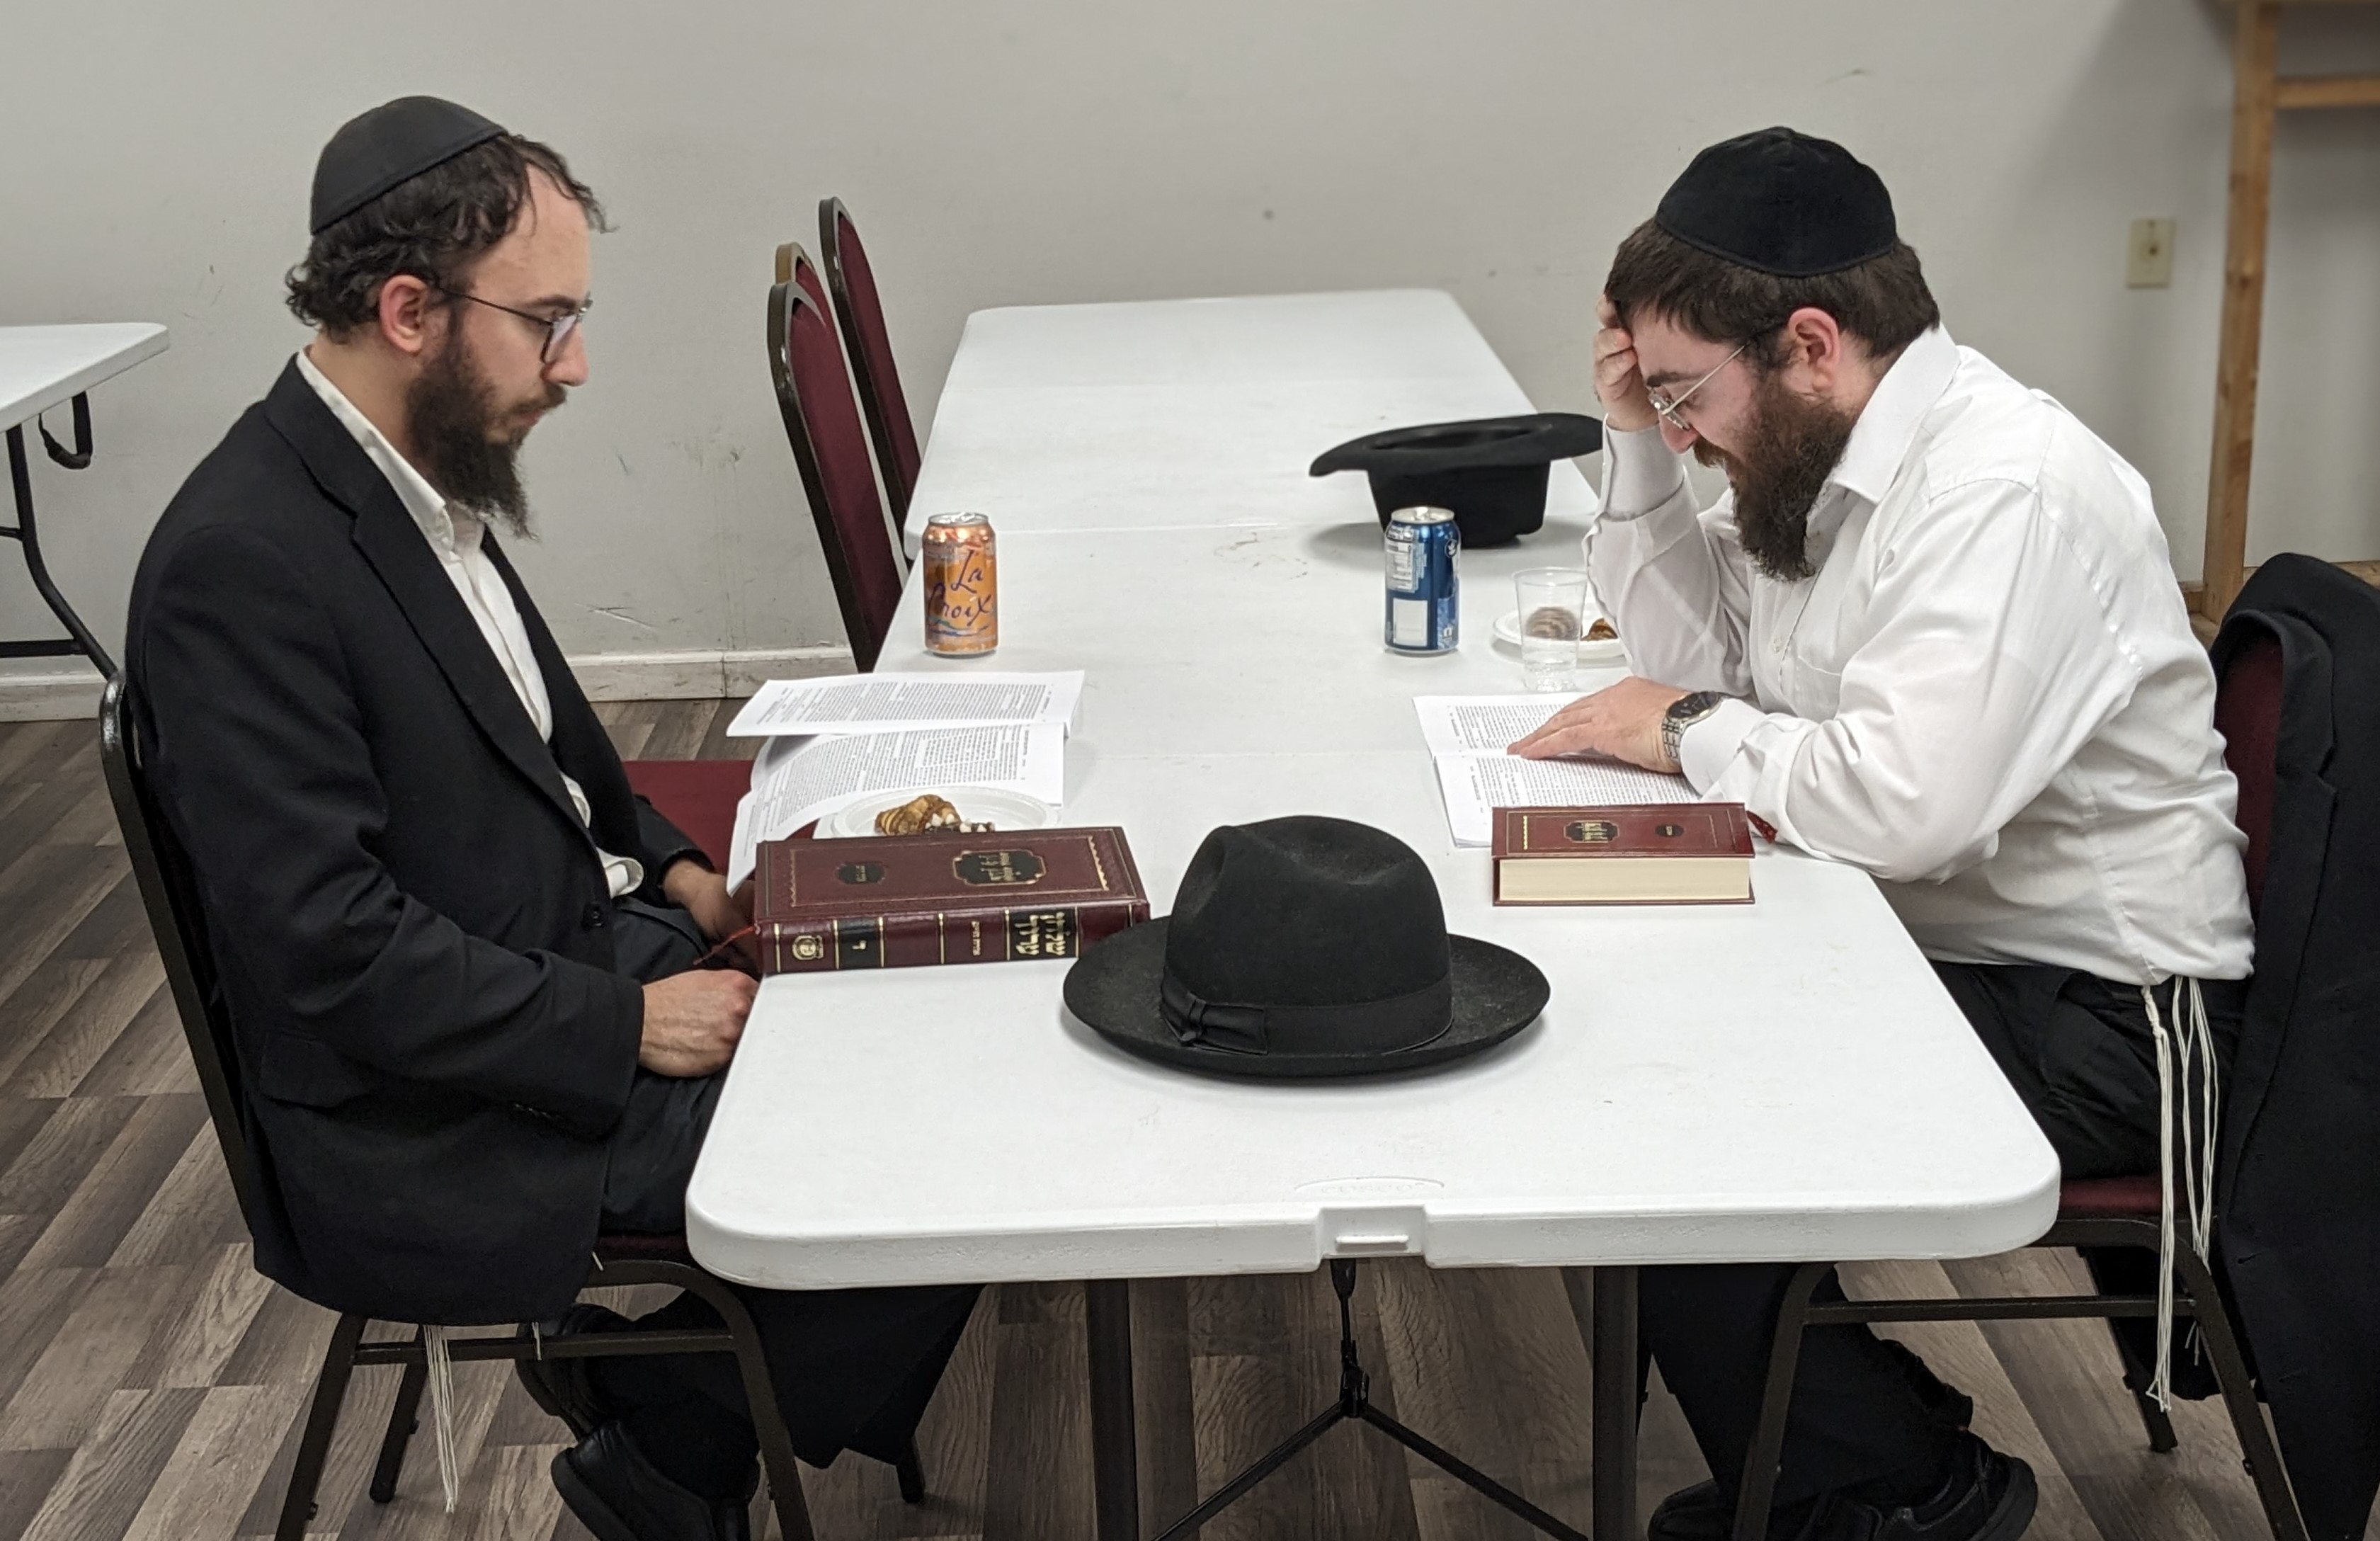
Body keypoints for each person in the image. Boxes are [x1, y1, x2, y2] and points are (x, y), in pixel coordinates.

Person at [125, 97, 977, 1541]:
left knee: (955, 1019)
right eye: (546, 322)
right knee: (944, 1146)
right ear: (409, 311)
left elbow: (541, 759)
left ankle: (667, 1411)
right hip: (446, 1100)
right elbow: (328, 949)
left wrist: (687, 873)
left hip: (578, 953)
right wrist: (623, 1024)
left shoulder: (406, 481)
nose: (574, 364)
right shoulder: (241, 564)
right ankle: (682, 1438)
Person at [1512, 127, 2254, 1541]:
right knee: (1621, 1053)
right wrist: (1636, 438)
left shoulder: (2001, 492)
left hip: (2105, 1015)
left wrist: (1679, 731)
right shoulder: (1824, 454)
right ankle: (1854, 1446)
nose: (1682, 428)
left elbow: (1899, 807)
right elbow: (1697, 653)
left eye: (1684, 393)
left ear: (1808, 342)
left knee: (1665, 1127)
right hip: (1939, 940)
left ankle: (1895, 1486)